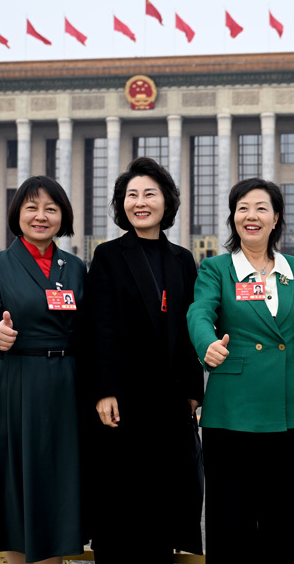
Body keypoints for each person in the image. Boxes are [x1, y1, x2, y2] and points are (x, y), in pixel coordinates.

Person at [84, 157, 204, 562]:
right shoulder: (108, 256)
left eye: (149, 194)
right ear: (122, 204)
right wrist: (104, 391)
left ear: (166, 202)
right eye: (131, 195)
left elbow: (190, 328)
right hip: (124, 400)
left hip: (169, 402)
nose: (140, 202)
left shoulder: (182, 260)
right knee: (121, 499)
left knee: (163, 502)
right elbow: (100, 329)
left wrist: (192, 390)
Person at [0, 176, 87, 564]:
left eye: (51, 208)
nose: (41, 216)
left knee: (59, 480)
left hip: (67, 385)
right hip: (18, 382)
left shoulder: (76, 267)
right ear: (17, 213)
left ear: (63, 216)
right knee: (17, 482)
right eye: (32, 207)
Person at [187, 178, 294, 564]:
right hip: (232, 408)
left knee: (282, 518)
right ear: (233, 217)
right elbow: (200, 311)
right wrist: (206, 344)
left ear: (276, 218)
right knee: (230, 519)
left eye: (261, 208)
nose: (251, 216)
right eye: (243, 208)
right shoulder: (216, 269)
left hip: (287, 408)